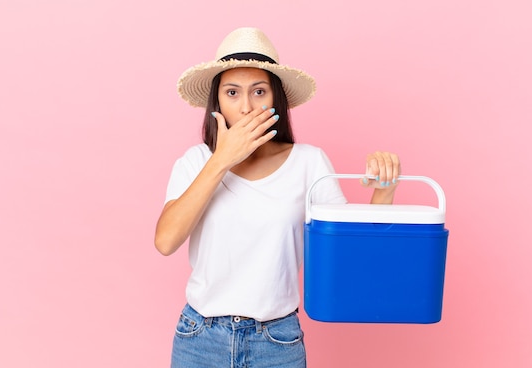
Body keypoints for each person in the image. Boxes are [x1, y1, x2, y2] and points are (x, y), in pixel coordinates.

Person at [155, 27, 401, 368]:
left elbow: (348, 258)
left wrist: (384, 191)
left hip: (277, 342)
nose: (246, 107)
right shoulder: (195, 161)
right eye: (232, 93)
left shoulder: (308, 162)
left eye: (259, 91)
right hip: (200, 339)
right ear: (217, 102)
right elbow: (166, 240)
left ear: (276, 100)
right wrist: (222, 159)